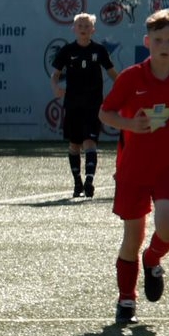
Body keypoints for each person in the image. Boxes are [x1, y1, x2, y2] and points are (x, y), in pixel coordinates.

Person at [99, 8, 169, 325]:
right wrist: (129, 124)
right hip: (133, 169)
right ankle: (126, 300)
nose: (164, 45)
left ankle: (152, 260)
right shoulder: (131, 77)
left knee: (167, 225)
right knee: (133, 237)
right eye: (158, 40)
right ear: (147, 42)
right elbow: (105, 113)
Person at [51, 12, 119, 198]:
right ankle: (77, 182)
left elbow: (112, 72)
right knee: (74, 145)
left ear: (93, 30)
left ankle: (89, 181)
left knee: (90, 142)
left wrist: (125, 87)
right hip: (73, 104)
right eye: (80, 26)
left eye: (87, 26)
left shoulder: (99, 50)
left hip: (93, 104)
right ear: (73, 29)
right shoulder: (67, 50)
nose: (83, 29)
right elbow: (55, 75)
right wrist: (55, 87)